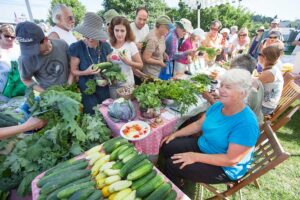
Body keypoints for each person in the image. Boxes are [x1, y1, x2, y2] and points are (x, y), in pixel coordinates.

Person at [160, 68, 259, 188]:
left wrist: (194, 156)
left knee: (172, 165)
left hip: (224, 167)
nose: (221, 90)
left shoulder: (247, 124)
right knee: (167, 146)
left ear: (242, 93)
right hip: (206, 146)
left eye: (228, 87)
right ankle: (179, 177)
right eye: (221, 85)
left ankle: (173, 187)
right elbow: (198, 124)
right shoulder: (218, 106)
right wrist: (176, 134)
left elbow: (231, 160)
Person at [68, 12, 112, 114]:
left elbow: (109, 68)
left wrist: (107, 79)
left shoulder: (105, 47)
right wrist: (86, 72)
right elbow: (74, 71)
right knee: (92, 116)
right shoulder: (77, 48)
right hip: (88, 91)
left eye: (93, 36)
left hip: (104, 90)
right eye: (87, 36)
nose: (90, 39)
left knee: (106, 115)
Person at [203, 54, 264, 124]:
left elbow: (228, 114)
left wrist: (210, 99)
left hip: (241, 125)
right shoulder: (257, 82)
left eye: (232, 71)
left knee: (203, 117)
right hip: (256, 118)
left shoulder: (244, 93)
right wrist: (221, 96)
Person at [16, 21, 72, 93]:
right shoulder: (25, 58)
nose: (31, 53)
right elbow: (26, 79)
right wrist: (45, 93)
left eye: (34, 48)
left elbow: (72, 66)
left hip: (70, 89)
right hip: (49, 95)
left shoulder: (62, 44)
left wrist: (69, 84)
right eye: (27, 49)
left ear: (45, 39)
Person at [108, 16, 143, 88]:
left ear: (127, 31)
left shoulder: (131, 45)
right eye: (116, 30)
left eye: (122, 31)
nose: (119, 34)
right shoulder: (107, 44)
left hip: (127, 84)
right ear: (112, 30)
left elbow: (140, 65)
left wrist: (128, 62)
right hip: (112, 85)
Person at [257, 45, 284, 115]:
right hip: (268, 104)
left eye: (260, 54)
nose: (258, 56)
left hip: (265, 107)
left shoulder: (269, 73)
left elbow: (252, 85)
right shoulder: (273, 68)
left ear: (265, 58)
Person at [0, 24, 20, 100]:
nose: (10, 38)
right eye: (6, 36)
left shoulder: (18, 48)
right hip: (2, 88)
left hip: (19, 86)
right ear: (0, 34)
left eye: (12, 37)